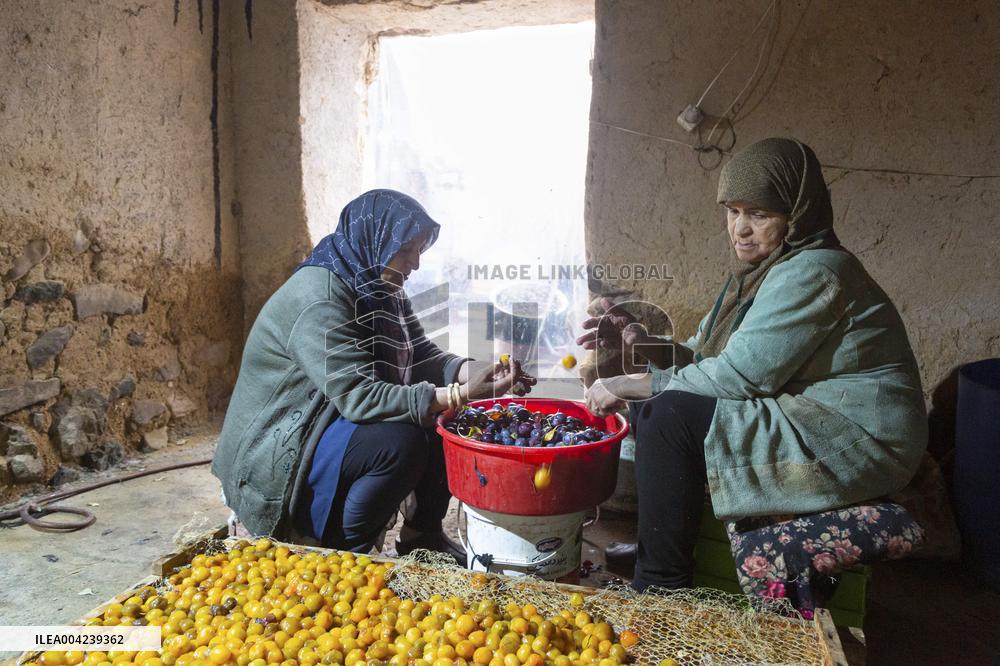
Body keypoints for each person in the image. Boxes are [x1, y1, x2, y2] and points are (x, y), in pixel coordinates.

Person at [579, 138, 927, 612]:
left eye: (759, 215)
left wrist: (628, 383)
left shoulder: (817, 271)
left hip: (858, 437)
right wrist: (645, 344)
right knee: (660, 408)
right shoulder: (762, 273)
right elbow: (706, 359)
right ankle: (660, 545)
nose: (740, 229)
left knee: (668, 412)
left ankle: (661, 588)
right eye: (732, 211)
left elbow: (739, 377)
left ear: (797, 213)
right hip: (810, 411)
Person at [213, 189, 534, 563]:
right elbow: (359, 397)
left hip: (328, 417)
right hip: (284, 442)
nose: (414, 263)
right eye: (406, 250)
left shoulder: (377, 284)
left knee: (443, 421)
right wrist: (458, 394)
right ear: (376, 239)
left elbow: (421, 354)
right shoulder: (320, 298)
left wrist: (475, 369)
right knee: (400, 441)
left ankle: (421, 536)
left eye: (419, 251)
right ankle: (344, 552)